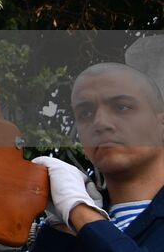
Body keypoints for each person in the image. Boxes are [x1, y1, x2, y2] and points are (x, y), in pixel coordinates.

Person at [31, 62, 164, 250]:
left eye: (122, 107)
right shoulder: (61, 232)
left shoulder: (80, 216)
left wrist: (79, 210)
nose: (100, 123)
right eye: (85, 113)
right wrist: (62, 230)